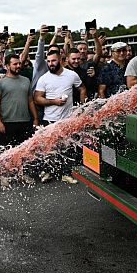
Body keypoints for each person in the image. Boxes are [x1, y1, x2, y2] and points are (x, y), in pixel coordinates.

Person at [33, 50, 85, 184]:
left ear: (61, 60)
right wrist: (53, 101)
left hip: (68, 119)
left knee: (67, 148)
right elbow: (37, 99)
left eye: (53, 60)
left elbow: (82, 89)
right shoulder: (44, 78)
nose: (51, 64)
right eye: (48, 61)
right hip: (50, 119)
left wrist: (81, 108)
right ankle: (47, 172)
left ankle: (65, 174)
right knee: (48, 148)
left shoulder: (72, 75)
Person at [0, 54, 39, 146]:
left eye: (19, 63)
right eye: (15, 64)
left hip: (25, 122)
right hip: (7, 123)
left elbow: (30, 101)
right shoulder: (0, 83)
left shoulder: (26, 80)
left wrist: (35, 119)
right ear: (7, 66)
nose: (18, 66)